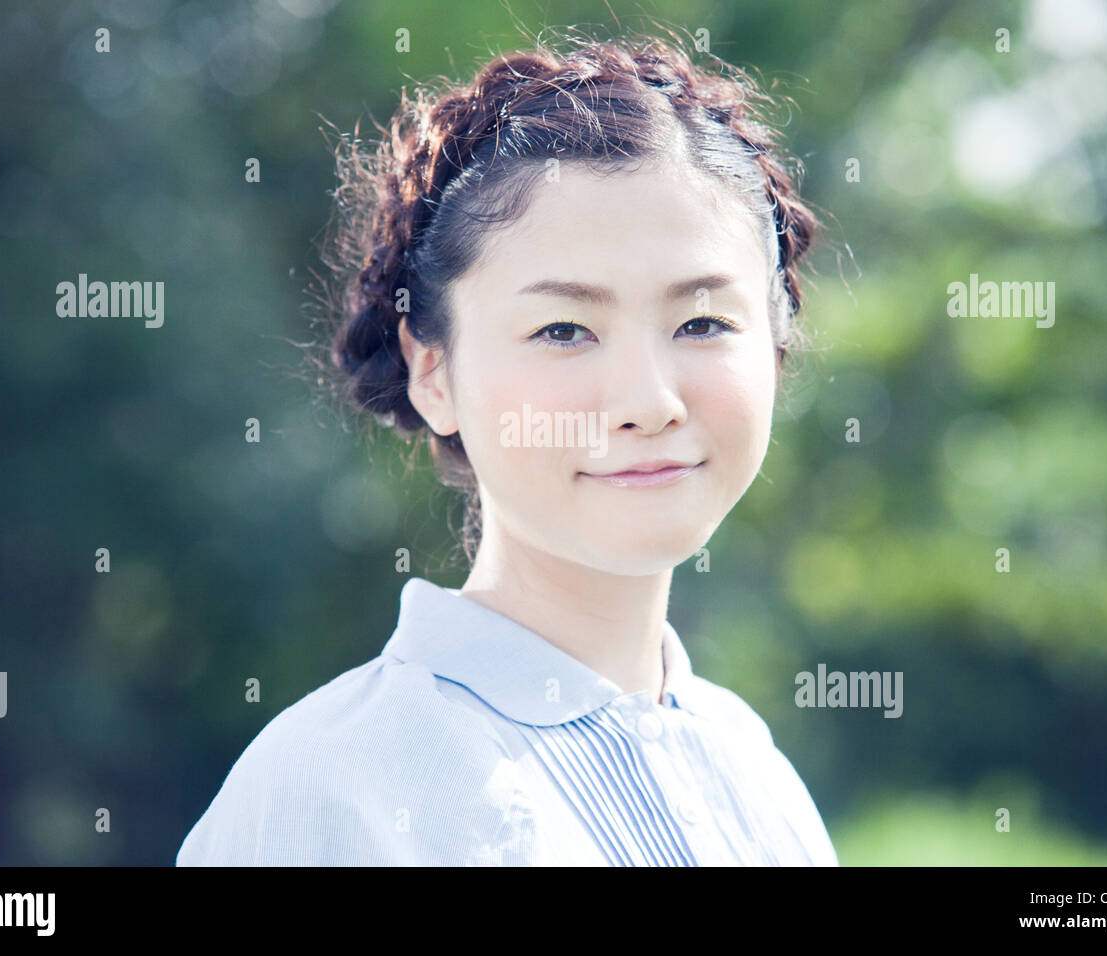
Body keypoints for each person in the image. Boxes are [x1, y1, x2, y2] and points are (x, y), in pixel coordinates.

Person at [177, 30, 838, 866]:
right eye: (564, 329)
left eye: (702, 322)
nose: (649, 402)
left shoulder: (756, 777)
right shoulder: (332, 790)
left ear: (776, 341)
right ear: (434, 370)